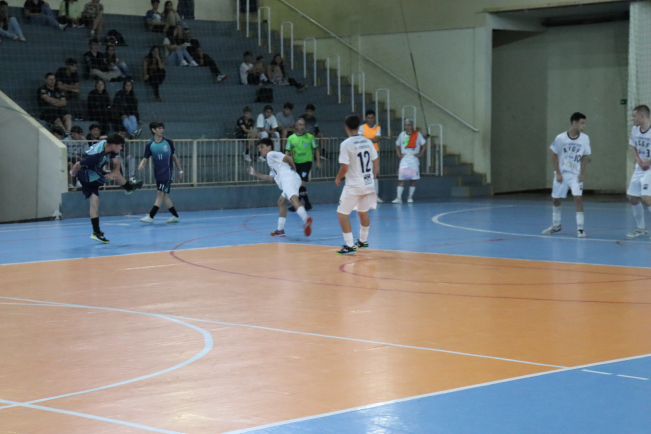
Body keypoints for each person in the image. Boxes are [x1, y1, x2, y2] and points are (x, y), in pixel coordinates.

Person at [70, 134, 143, 243]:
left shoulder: (109, 146)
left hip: (94, 171)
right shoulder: (96, 155)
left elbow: (117, 164)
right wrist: (73, 175)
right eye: (120, 145)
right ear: (113, 145)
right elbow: (77, 165)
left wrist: (113, 172)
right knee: (114, 176)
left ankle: (96, 232)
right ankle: (129, 188)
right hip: (86, 175)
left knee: (95, 203)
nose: (121, 148)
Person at [247, 138, 313, 237]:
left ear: (269, 147)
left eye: (262, 147)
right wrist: (255, 173)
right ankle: (280, 230)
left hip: (289, 178)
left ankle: (306, 219)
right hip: (290, 179)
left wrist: (294, 171)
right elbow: (270, 178)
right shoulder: (273, 164)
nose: (260, 149)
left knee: (293, 199)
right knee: (281, 202)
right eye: (259, 148)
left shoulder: (271, 154)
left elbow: (289, 158)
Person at [335, 115, 379, 255]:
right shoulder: (368, 141)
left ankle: (349, 245)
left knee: (342, 214)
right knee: (363, 211)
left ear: (346, 127)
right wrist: (372, 178)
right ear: (359, 127)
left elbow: (344, 167)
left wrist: (338, 178)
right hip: (368, 183)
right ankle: (363, 241)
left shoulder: (346, 144)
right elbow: (376, 162)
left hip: (354, 185)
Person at [542, 112, 591, 238]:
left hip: (575, 175)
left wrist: (581, 174)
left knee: (578, 198)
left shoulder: (585, 138)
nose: (584, 126)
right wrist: (558, 173)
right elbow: (554, 155)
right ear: (574, 123)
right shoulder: (561, 138)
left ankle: (580, 228)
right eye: (582, 123)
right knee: (556, 199)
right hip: (562, 174)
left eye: (584, 123)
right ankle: (556, 225)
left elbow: (584, 157)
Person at [138, 122, 183, 224]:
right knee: (164, 195)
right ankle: (175, 216)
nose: (161, 130)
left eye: (162, 128)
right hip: (158, 174)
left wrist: (180, 170)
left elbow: (174, 156)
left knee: (160, 193)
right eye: (159, 128)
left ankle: (151, 216)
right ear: (153, 130)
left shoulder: (168, 142)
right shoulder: (150, 145)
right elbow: (145, 158)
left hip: (167, 173)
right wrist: (141, 164)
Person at [626, 105, 651, 238]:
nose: (633, 119)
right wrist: (639, 161)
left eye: (634, 116)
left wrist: (648, 162)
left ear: (642, 116)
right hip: (640, 167)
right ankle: (641, 228)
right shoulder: (635, 130)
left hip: (650, 168)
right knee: (633, 197)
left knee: (646, 198)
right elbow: (633, 147)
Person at [285, 118, 321, 211]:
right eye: (300, 125)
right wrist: (285, 162)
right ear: (296, 126)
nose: (302, 127)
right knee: (298, 185)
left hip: (306, 163)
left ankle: (297, 205)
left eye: (303, 125)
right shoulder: (291, 138)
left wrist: (318, 161)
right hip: (296, 164)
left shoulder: (310, 137)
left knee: (301, 183)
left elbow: (316, 149)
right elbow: (287, 151)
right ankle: (307, 204)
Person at [391, 119, 427, 204]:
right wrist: (399, 154)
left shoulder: (417, 134)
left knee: (413, 179)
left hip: (413, 158)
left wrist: (421, 153)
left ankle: (410, 197)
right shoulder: (402, 134)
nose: (407, 127)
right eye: (406, 125)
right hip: (405, 158)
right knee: (401, 178)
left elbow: (424, 144)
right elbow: (397, 145)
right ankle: (399, 198)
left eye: (409, 125)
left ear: (412, 126)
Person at [359, 109, 382, 202]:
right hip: (363, 153)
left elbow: (377, 139)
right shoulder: (362, 127)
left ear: (374, 118)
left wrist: (366, 139)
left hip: (374, 153)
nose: (370, 120)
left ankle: (375, 196)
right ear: (366, 118)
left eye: (372, 118)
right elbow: (360, 139)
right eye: (368, 118)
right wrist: (371, 139)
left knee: (375, 174)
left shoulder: (378, 128)